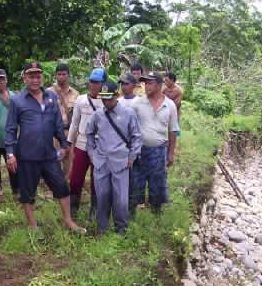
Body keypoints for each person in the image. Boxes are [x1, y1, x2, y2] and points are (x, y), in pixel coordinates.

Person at [5, 62, 85, 233]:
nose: (35, 79)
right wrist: (10, 154)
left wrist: (64, 144)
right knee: (27, 192)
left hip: (49, 155)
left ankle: (68, 221)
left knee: (62, 187)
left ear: (42, 77)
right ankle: (33, 226)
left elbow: (57, 125)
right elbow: (11, 129)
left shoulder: (51, 97)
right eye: (31, 76)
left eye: (38, 76)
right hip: (27, 155)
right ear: (25, 78)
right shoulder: (17, 100)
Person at [85, 81, 141, 234]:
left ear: (117, 96)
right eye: (103, 99)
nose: (106, 102)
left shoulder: (128, 114)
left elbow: (137, 136)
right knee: (102, 197)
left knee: (121, 199)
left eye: (109, 98)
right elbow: (88, 132)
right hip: (101, 162)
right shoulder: (98, 115)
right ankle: (102, 229)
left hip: (121, 162)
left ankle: (121, 229)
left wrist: (132, 156)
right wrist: (92, 153)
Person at [129, 71, 179, 212]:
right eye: (145, 83)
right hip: (139, 151)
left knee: (158, 185)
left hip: (159, 150)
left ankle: (156, 215)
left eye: (150, 83)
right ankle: (131, 216)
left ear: (158, 85)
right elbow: (129, 127)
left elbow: (173, 130)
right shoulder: (137, 103)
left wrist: (171, 153)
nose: (146, 86)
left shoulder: (169, 105)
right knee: (135, 184)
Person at [67, 67, 106, 216]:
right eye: (92, 82)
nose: (94, 85)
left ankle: (95, 210)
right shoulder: (81, 100)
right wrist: (69, 142)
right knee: (76, 179)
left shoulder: (107, 100)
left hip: (100, 146)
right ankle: (73, 208)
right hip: (82, 144)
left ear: (103, 83)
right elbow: (75, 123)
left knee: (97, 180)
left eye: (97, 82)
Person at [47, 63, 79, 177]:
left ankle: (65, 184)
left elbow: (77, 116)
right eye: (59, 74)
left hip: (68, 131)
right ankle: (54, 185)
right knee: (53, 159)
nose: (61, 77)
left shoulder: (75, 94)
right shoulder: (48, 92)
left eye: (64, 74)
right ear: (55, 75)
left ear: (68, 75)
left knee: (68, 160)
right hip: (53, 132)